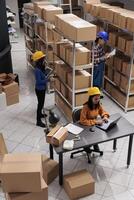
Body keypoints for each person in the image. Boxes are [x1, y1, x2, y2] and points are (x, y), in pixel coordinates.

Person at [80, 87, 109, 151]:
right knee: (90, 140)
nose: (97, 100)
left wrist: (105, 116)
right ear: (91, 98)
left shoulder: (98, 104)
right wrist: (96, 122)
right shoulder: (85, 107)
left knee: (98, 134)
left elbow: (103, 112)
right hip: (86, 126)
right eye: (96, 99)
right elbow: (83, 121)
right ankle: (87, 145)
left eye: (98, 99)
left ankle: (95, 143)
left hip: (93, 125)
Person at [32, 51, 48, 128]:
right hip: (39, 89)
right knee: (40, 104)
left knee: (41, 103)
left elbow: (43, 75)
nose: (44, 59)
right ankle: (38, 121)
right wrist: (47, 80)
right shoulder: (37, 70)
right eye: (43, 58)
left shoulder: (41, 67)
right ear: (39, 60)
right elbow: (39, 81)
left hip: (43, 89)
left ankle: (41, 114)